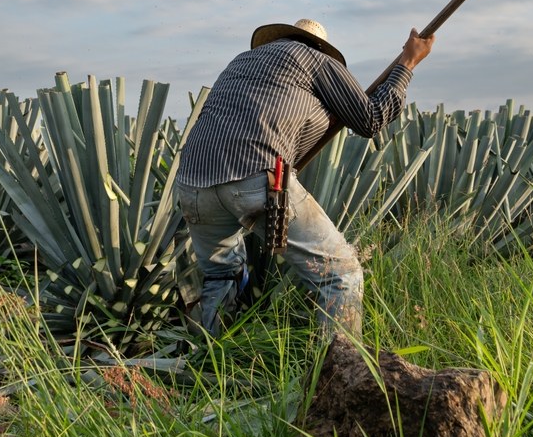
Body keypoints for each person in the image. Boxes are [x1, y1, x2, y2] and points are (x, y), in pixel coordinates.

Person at [175, 18, 434, 338]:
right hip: (255, 174)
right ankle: (339, 375)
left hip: (192, 183)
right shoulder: (316, 60)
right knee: (341, 275)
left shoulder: (242, 61)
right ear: (320, 46)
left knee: (221, 275)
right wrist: (408, 62)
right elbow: (371, 119)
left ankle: (211, 367)